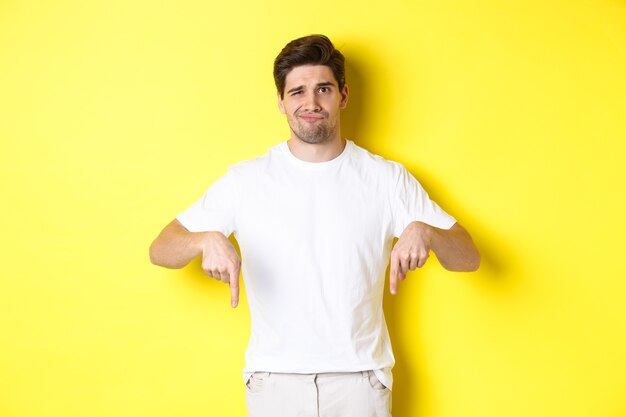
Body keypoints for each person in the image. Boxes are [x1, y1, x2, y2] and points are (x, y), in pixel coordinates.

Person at [149, 34, 480, 417]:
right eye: (297, 92)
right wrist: (203, 241)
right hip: (274, 381)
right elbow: (161, 249)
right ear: (280, 102)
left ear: (342, 95)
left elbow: (467, 257)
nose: (310, 103)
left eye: (323, 89)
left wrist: (427, 230)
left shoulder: (386, 178)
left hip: (360, 380)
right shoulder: (246, 181)